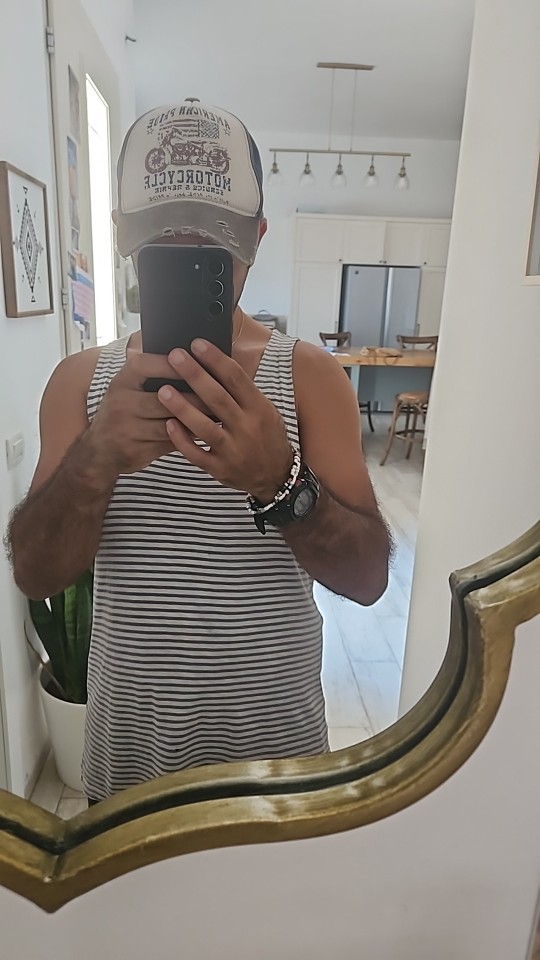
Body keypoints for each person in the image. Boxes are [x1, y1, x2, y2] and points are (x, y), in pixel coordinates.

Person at [7, 99, 390, 804]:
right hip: (129, 763)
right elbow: (35, 574)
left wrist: (280, 480)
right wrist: (96, 459)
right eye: (165, 239)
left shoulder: (310, 378)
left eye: (211, 241)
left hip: (277, 767)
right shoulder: (79, 384)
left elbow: (367, 578)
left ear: (256, 236)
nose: (187, 254)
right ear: (122, 235)